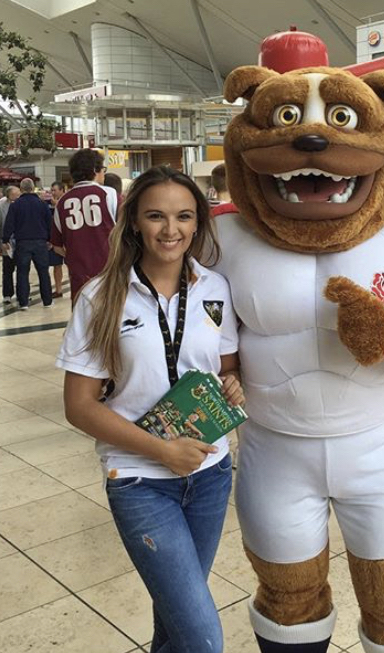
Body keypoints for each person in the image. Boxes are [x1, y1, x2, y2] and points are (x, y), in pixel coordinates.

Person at [56, 166, 243, 652]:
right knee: (203, 638)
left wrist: (232, 385)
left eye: (183, 216)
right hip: (140, 480)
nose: (171, 229)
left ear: (198, 222)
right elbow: (79, 406)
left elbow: (225, 365)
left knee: (176, 624)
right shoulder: (101, 297)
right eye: (156, 216)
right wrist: (162, 451)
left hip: (211, 472)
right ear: (134, 221)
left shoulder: (215, 288)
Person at [51, 149, 117, 303]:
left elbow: (56, 246)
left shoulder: (62, 202)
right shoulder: (109, 194)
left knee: (82, 319)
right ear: (95, 170)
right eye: (103, 170)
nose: (103, 174)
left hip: (78, 276)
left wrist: (74, 257)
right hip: (108, 271)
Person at [2, 178, 53, 310]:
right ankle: (47, 300)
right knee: (43, 272)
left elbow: (9, 224)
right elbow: (50, 223)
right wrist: (50, 239)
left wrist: (5, 240)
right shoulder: (42, 204)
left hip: (23, 242)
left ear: (22, 188)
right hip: (40, 242)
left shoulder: (15, 205)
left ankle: (23, 302)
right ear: (33, 188)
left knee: (22, 272)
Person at [0, 185, 20, 304]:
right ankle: (7, 294)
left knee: (22, 270)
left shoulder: (21, 205)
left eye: (18, 194)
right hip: (6, 244)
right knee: (7, 270)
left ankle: (22, 293)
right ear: (9, 195)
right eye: (15, 194)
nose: (18, 196)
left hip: (20, 243)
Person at [48, 181, 66, 298]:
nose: (53, 193)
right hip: (56, 239)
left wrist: (58, 205)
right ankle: (58, 289)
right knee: (56, 264)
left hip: (68, 239)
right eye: (52, 190)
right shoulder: (49, 205)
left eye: (55, 190)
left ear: (61, 190)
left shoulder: (66, 202)